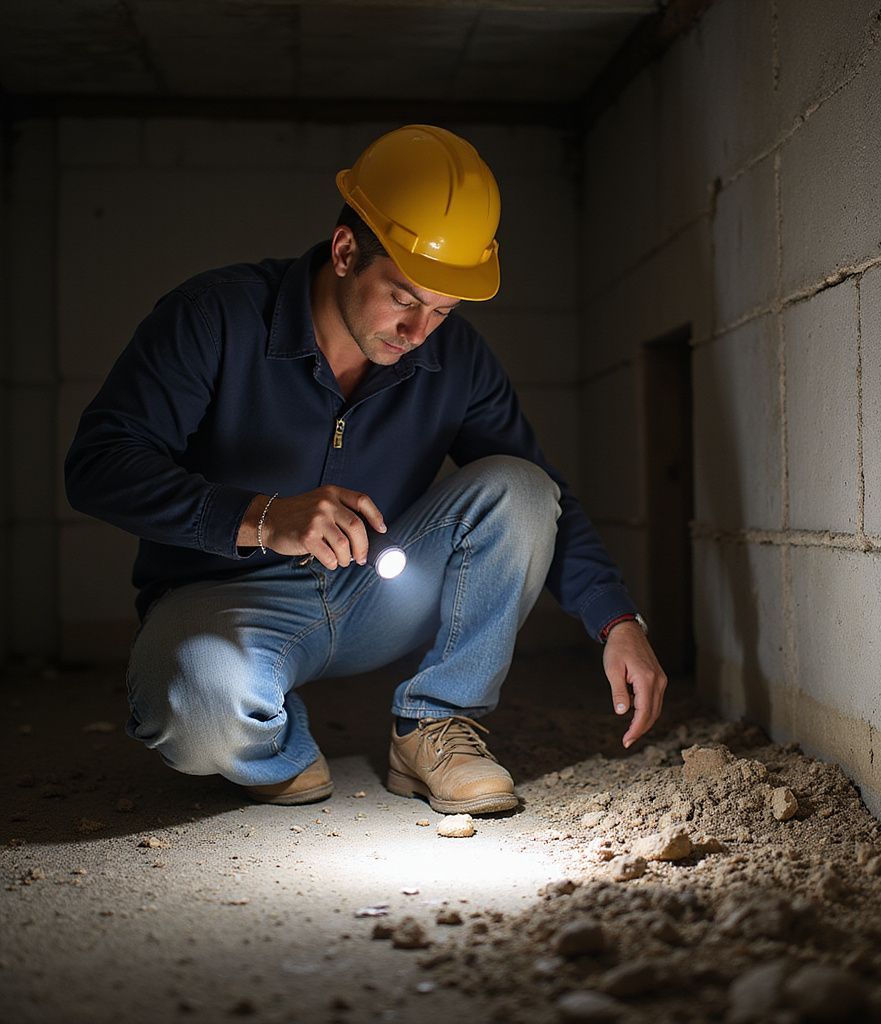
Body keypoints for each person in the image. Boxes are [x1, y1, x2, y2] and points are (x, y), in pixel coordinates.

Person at [64, 124, 668, 811]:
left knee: (522, 489)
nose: (418, 333)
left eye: (443, 310)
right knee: (199, 714)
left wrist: (618, 621)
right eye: (404, 298)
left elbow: (538, 496)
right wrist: (261, 517)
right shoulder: (214, 317)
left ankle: (436, 723)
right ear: (345, 250)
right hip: (226, 604)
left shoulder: (456, 359)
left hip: (379, 594)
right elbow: (97, 466)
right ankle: (271, 743)